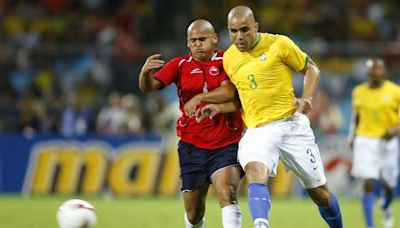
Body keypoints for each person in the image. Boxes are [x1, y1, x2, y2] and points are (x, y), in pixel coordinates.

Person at [186, 6, 343, 228]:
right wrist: (219, 108)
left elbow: (311, 69)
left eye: (244, 30)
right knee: (255, 172)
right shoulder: (229, 58)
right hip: (258, 130)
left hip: (291, 126)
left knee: (321, 195)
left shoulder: (279, 44)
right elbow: (241, 97)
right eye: (233, 31)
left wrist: (307, 98)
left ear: (256, 27)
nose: (239, 37)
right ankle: (261, 224)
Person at [138, 19, 244, 228]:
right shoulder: (179, 65)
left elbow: (229, 91)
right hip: (192, 145)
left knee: (227, 193)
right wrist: (144, 74)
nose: (198, 44)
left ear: (214, 38)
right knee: (194, 213)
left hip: (226, 142)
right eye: (193, 40)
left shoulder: (227, 60)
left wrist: (199, 99)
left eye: (202, 39)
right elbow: (149, 87)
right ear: (188, 43)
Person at [348, 58, 400, 228]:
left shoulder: (395, 91)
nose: (375, 72)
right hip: (365, 140)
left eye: (378, 69)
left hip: (388, 141)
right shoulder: (358, 92)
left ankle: (386, 205)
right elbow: (356, 117)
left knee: (389, 183)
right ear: (368, 72)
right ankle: (370, 225)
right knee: (368, 180)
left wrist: (395, 130)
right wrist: (352, 136)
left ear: (384, 72)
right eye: (372, 69)